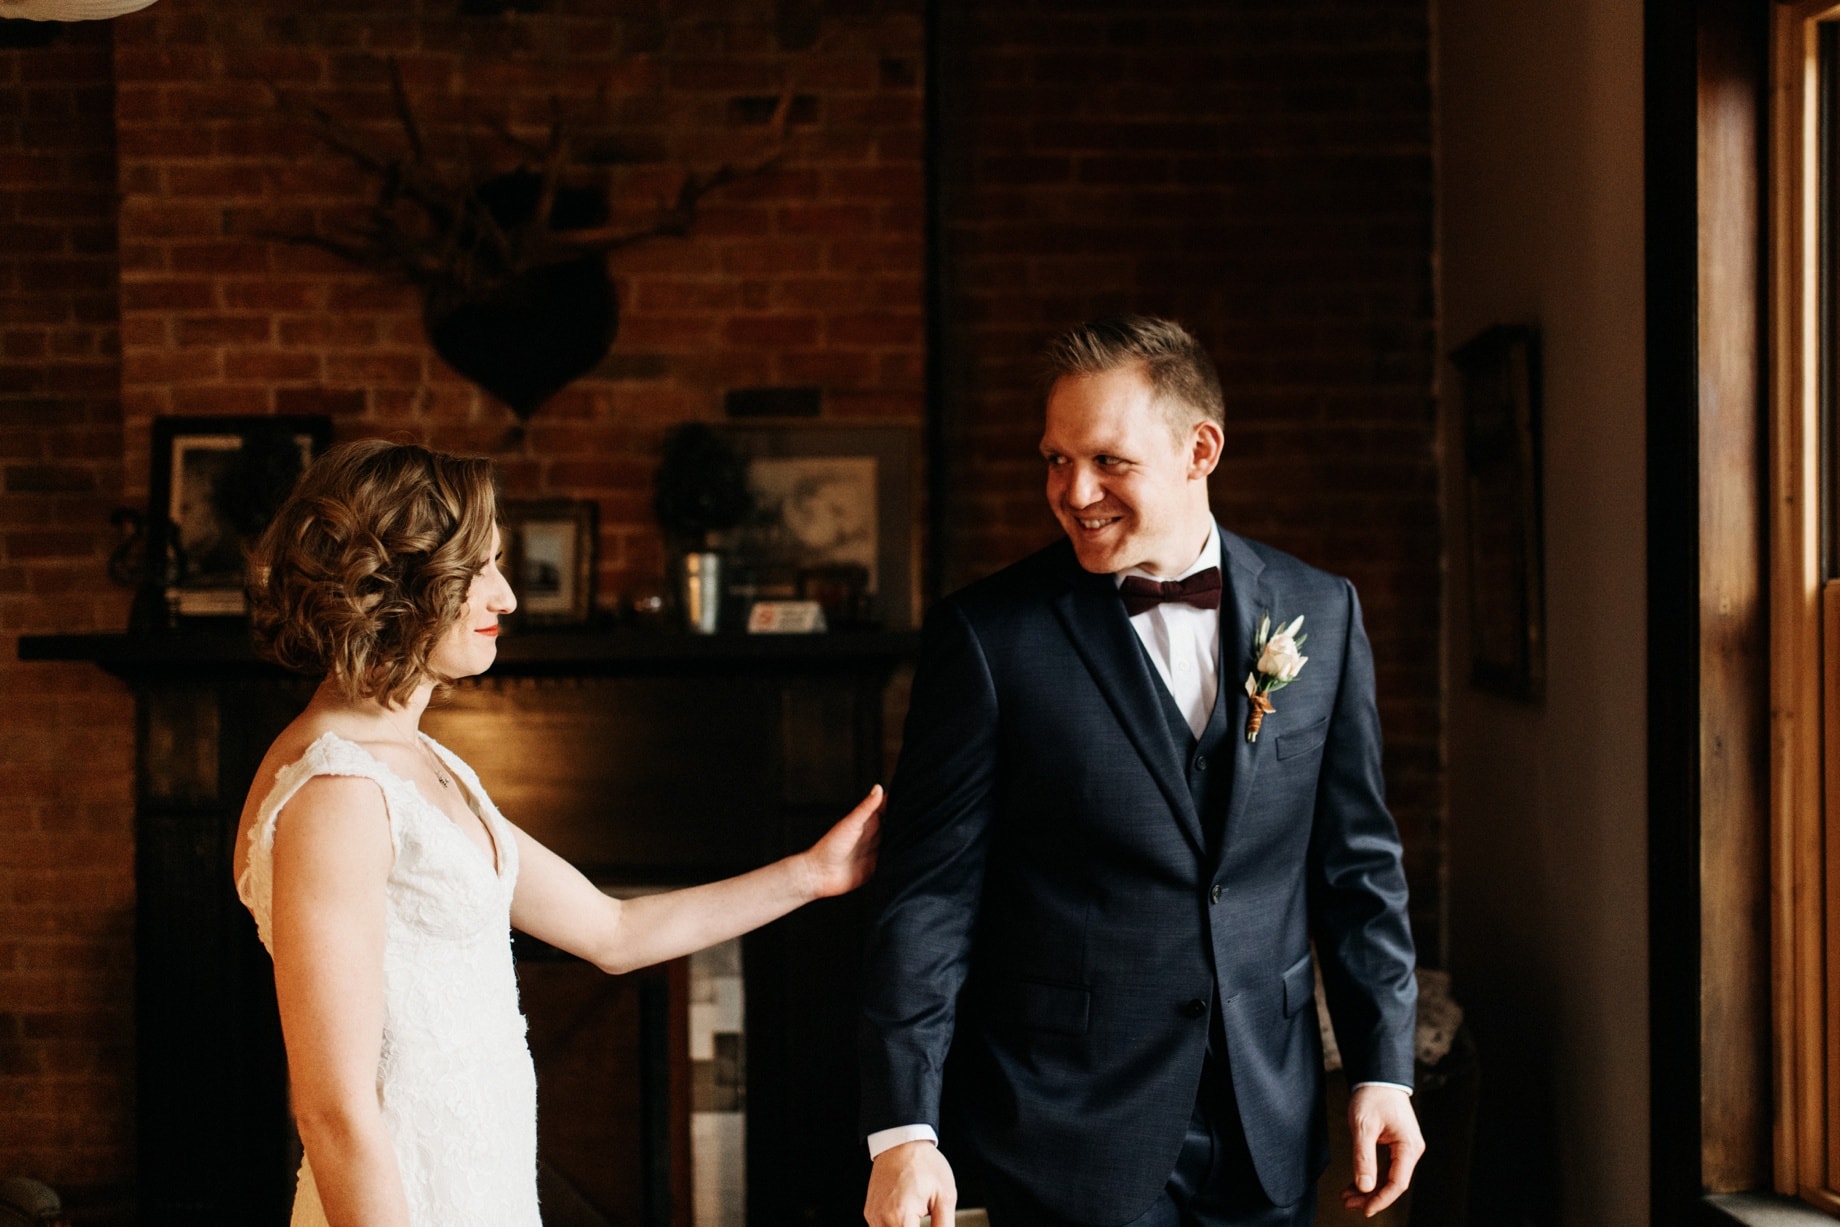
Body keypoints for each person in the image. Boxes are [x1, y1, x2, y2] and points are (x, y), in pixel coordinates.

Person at [230, 439, 883, 1227]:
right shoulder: (337, 790)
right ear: (398, 581)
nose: (505, 596)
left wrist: (812, 874)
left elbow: (614, 928)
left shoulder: (421, 762)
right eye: (479, 570)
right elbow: (335, 1112)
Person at [859, 316, 1422, 1227]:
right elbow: (929, 898)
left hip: (1265, 1128)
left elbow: (1357, 867)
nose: (1072, 491)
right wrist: (903, 1130)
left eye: (1107, 461)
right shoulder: (989, 637)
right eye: (1053, 459)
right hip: (1061, 1132)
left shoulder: (1322, 610)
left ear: (1200, 448)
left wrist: (1381, 1068)